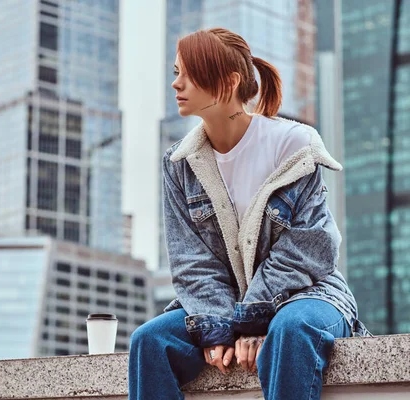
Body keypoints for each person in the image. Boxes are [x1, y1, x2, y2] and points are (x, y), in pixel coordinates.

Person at [128, 27, 371, 400]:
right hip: (224, 306)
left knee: (289, 330)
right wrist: (220, 328)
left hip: (308, 296)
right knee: (148, 341)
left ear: (229, 81)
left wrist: (251, 320)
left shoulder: (292, 144)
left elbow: (311, 247)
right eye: (176, 72)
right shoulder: (180, 163)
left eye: (188, 73)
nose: (176, 83)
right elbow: (191, 261)